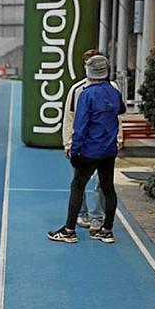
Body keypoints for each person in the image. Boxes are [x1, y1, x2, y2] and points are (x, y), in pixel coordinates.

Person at [48, 55, 126, 244]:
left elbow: (80, 125)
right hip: (109, 150)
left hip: (90, 150)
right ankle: (107, 230)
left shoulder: (86, 93)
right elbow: (121, 110)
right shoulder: (114, 91)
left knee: (77, 186)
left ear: (88, 71)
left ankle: (69, 230)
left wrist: (74, 151)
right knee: (108, 188)